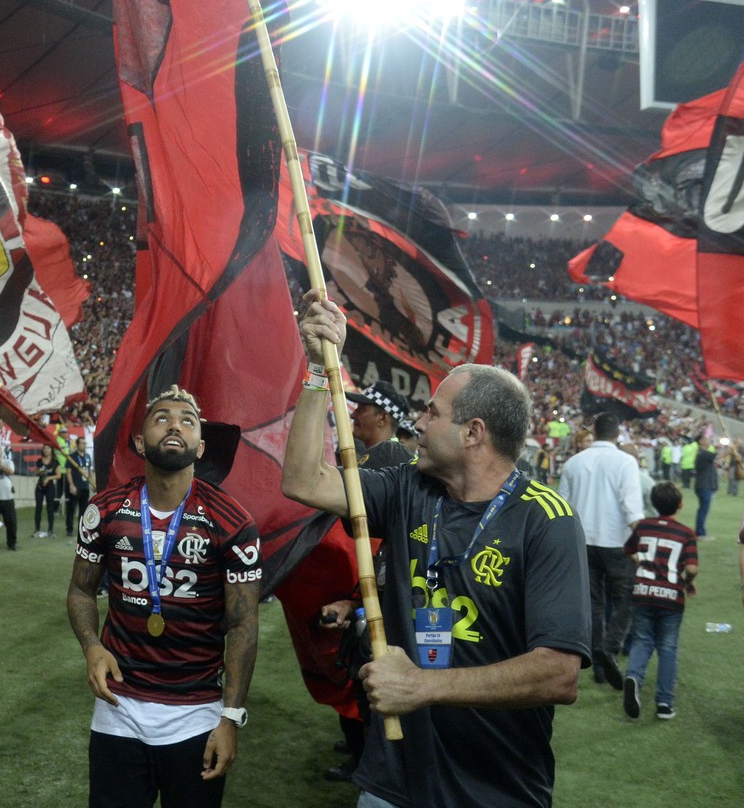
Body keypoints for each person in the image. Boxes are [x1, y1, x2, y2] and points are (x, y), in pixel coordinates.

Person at [282, 293, 590, 807]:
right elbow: (303, 480)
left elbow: (557, 673)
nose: (418, 424)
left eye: (432, 412)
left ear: (473, 433)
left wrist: (424, 686)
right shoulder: (408, 488)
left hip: (496, 789)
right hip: (392, 781)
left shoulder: (546, 521)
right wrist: (318, 370)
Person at [67, 385, 260, 808]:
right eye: (162, 418)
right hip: (118, 710)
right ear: (139, 442)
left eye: (187, 420)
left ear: (201, 446)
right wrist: (92, 646)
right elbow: (81, 589)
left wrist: (230, 718)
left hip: (197, 714)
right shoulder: (106, 509)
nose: (175, 424)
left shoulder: (232, 521)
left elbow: (244, 624)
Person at [315, 380, 416, 783]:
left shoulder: (387, 460)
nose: (353, 413)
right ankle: (365, 752)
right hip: (367, 586)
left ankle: (371, 763)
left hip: (380, 589)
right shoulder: (381, 456)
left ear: (383, 417)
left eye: (362, 408)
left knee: (369, 678)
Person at [558, 412, 643, 689]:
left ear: (594, 431)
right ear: (618, 434)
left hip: (583, 542)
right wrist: (642, 547)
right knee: (627, 599)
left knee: (593, 604)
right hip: (617, 542)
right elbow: (631, 507)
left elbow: (563, 507)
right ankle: (610, 647)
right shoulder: (625, 462)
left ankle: (597, 660)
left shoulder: (574, 462)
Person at [621, 481, 697, 721]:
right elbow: (693, 567)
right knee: (668, 647)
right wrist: (687, 580)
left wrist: (640, 564)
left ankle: (633, 677)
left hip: (643, 591)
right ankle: (664, 703)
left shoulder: (643, 526)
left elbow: (629, 550)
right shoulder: (686, 533)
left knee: (642, 640)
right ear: (680, 505)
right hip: (671, 596)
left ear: (653, 503)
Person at [66, 436, 95, 540]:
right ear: (77, 445)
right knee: (71, 509)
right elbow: (68, 472)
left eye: (85, 443)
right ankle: (69, 529)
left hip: (85, 487)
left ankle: (81, 529)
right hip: (76, 486)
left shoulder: (87, 456)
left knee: (83, 510)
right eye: (82, 443)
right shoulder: (72, 456)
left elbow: (90, 470)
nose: (84, 445)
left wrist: (92, 483)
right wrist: (71, 485)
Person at [693, 433, 718, 539]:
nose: (708, 440)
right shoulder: (703, 453)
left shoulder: (704, 453)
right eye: (706, 438)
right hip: (704, 486)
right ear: (701, 441)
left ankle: (700, 531)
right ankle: (700, 533)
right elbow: (718, 456)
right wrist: (730, 449)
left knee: (703, 509)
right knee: (703, 510)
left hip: (705, 486)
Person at [33, 443, 61, 537]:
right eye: (44, 448)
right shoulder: (39, 461)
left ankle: (50, 530)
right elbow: (36, 472)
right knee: (38, 508)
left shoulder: (55, 462)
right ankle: (37, 529)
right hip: (40, 487)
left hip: (50, 487)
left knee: (50, 509)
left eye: (48, 448)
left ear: (51, 450)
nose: (46, 450)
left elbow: (58, 475)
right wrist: (38, 471)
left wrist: (49, 478)